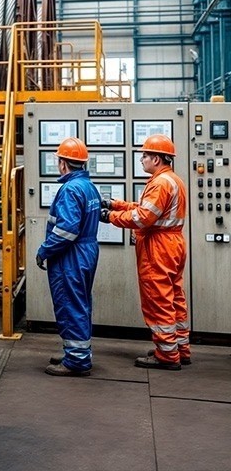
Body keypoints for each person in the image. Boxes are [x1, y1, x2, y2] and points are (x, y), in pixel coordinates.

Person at [101, 133, 190, 370]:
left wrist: (110, 217)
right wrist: (116, 204)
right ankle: (179, 348)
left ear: (158, 159)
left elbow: (143, 217)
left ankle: (167, 355)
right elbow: (145, 208)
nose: (142, 160)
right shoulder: (172, 180)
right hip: (174, 244)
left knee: (158, 298)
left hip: (158, 246)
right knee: (174, 297)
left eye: (146, 155)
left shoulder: (160, 183)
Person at [36, 137, 101, 377]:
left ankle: (76, 360)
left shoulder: (70, 189)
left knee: (70, 304)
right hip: (87, 252)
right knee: (80, 303)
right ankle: (76, 352)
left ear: (64, 163)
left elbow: (67, 231)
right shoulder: (88, 186)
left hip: (70, 256)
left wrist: (44, 250)